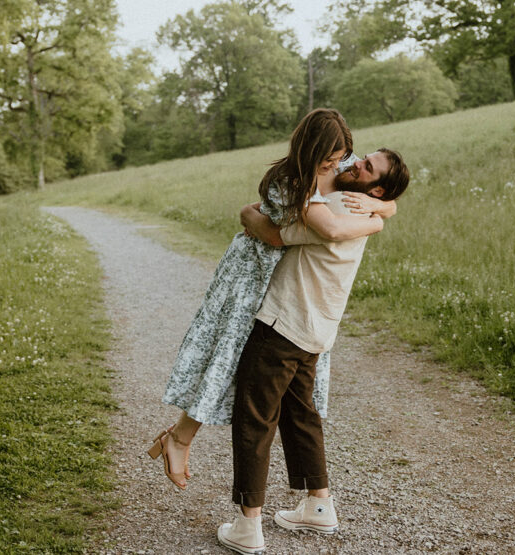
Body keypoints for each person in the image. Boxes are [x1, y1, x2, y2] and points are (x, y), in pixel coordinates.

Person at [149, 109, 392, 490]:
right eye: (329, 158)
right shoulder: (288, 180)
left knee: (274, 376)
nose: (338, 164)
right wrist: (376, 221)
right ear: (311, 149)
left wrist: (382, 208)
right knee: (228, 355)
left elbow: (387, 198)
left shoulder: (345, 164)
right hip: (254, 274)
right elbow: (280, 236)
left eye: (342, 156)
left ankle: (180, 439)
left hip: (293, 282)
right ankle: (180, 440)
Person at [216, 147, 410, 554]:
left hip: (282, 326)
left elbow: (274, 233)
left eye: (366, 167)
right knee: (301, 412)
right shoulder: (364, 210)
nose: (355, 163)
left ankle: (248, 526)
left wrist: (248, 213)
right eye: (362, 156)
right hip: (316, 332)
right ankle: (318, 504)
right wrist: (384, 213)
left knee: (254, 419)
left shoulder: (336, 205)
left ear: (374, 187)